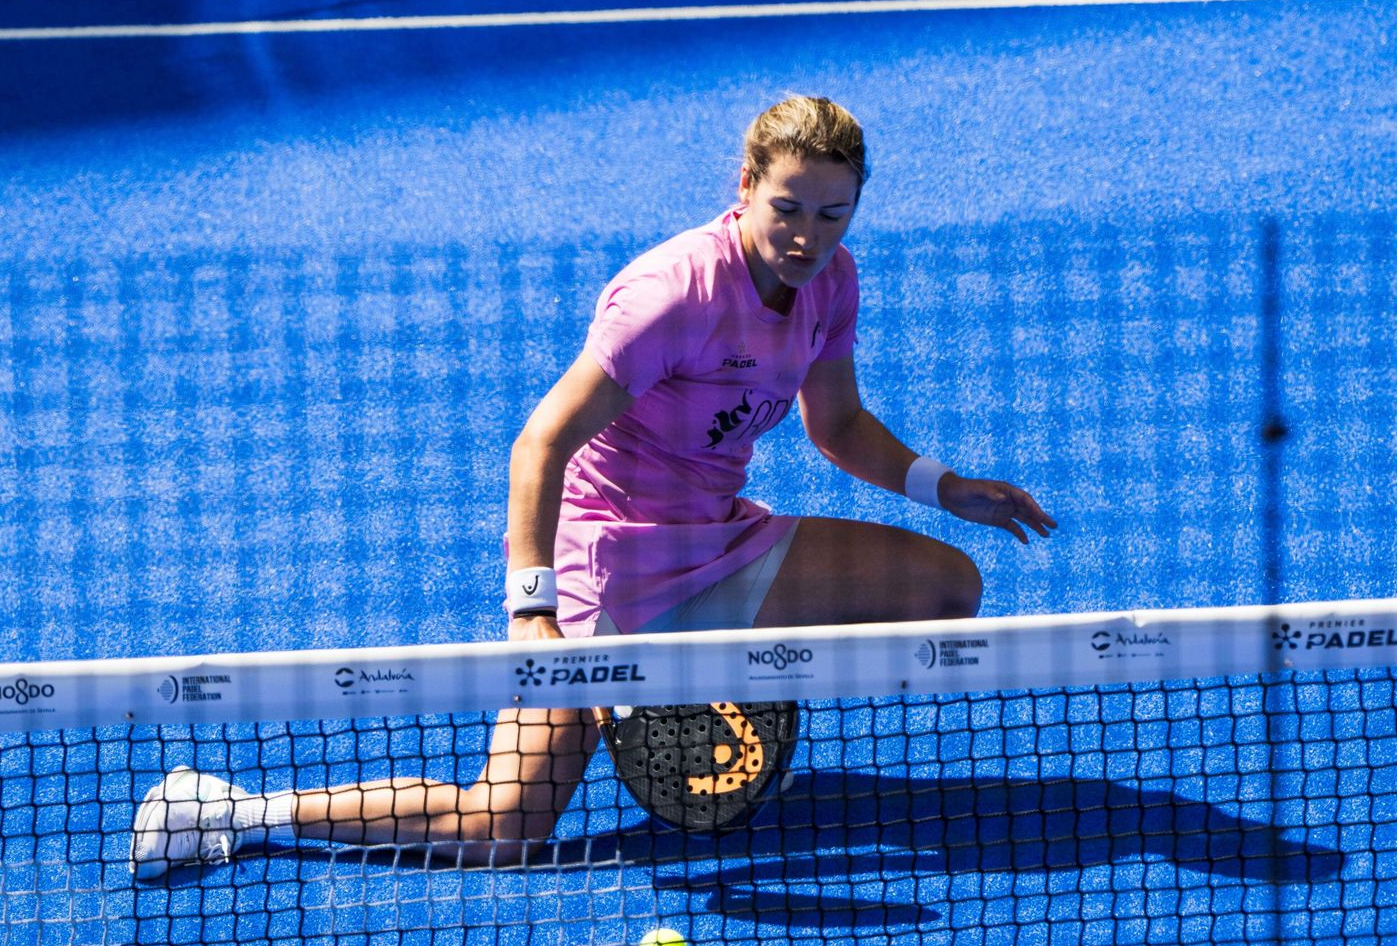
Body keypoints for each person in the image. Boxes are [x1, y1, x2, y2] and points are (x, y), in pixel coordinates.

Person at [130, 95, 1055, 878]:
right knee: (505, 827)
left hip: (721, 540)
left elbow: (838, 424)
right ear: (745, 190)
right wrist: (534, 612)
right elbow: (540, 445)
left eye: (832, 214)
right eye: (788, 209)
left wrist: (946, 487)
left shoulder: (831, 281)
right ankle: (233, 812)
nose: (808, 236)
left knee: (946, 586)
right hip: (612, 573)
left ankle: (698, 681)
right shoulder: (670, 295)